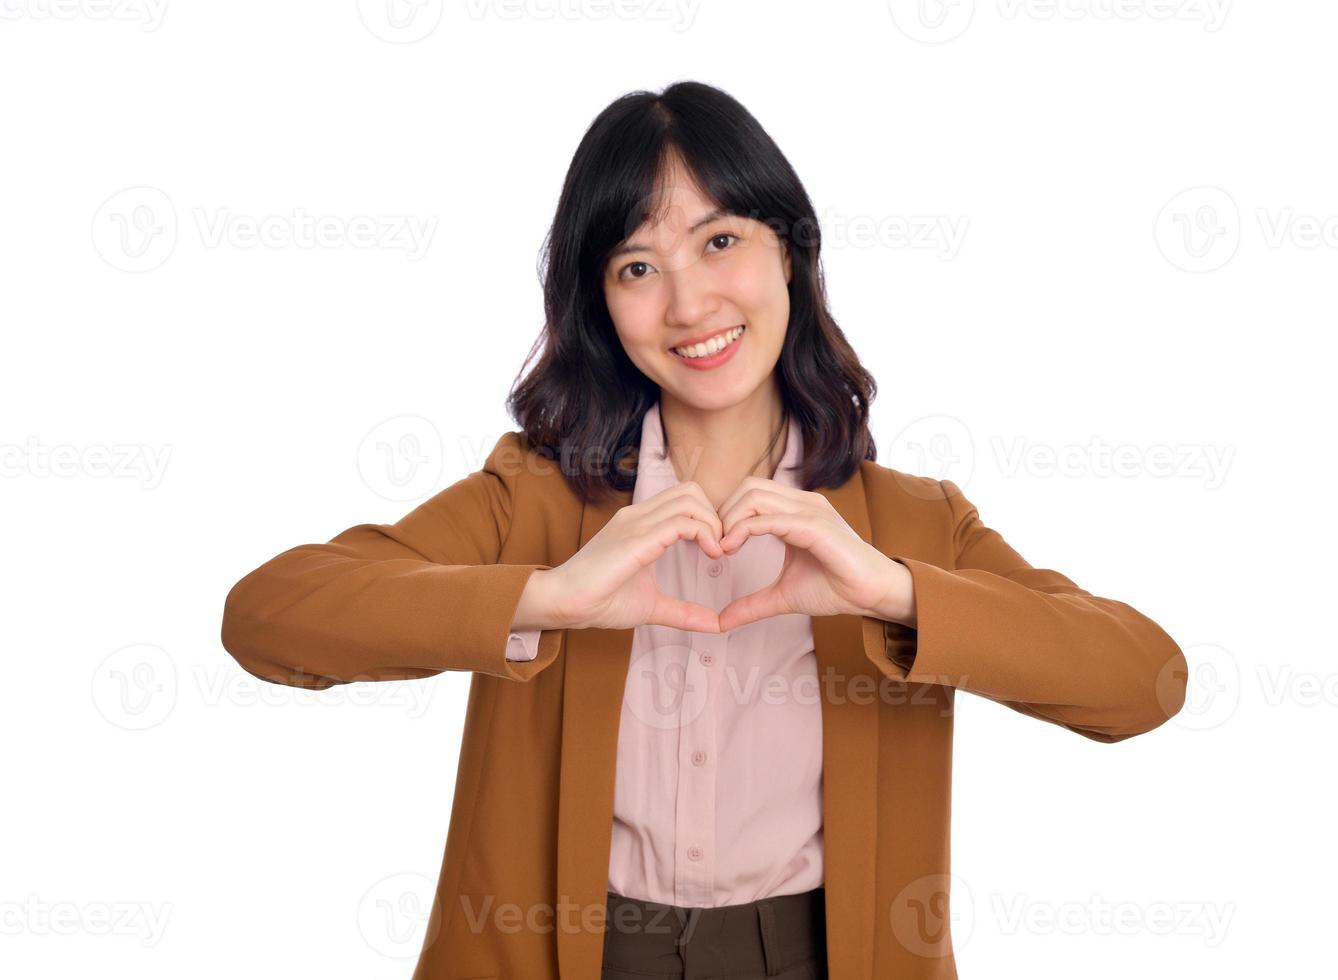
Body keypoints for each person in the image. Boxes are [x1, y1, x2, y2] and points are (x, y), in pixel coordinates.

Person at [220, 80, 1190, 980]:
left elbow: (1145, 678)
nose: (688, 304)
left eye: (720, 241)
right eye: (638, 264)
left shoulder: (907, 524)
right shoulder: (534, 500)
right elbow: (267, 616)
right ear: (601, 300)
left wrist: (895, 590)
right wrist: (544, 595)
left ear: (790, 252)